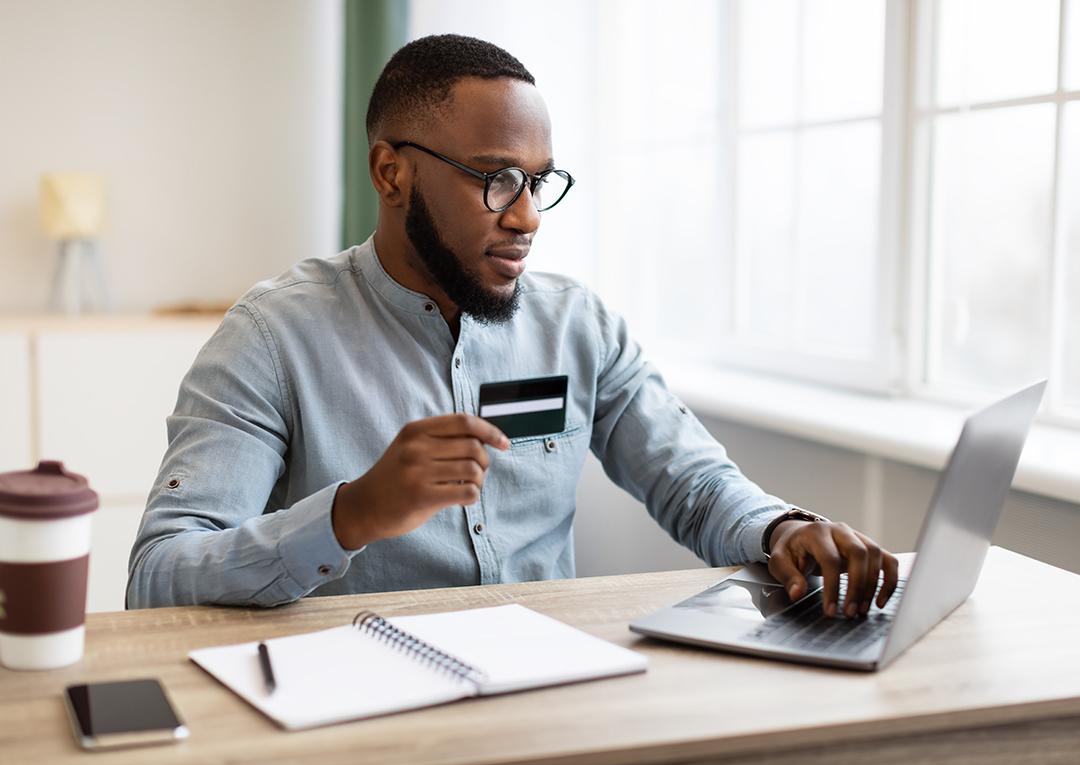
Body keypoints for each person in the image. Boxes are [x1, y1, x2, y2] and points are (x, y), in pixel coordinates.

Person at [127, 34, 898, 618]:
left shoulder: (578, 326)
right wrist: (351, 513)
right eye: (495, 180)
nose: (526, 216)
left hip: (546, 692)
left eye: (537, 182)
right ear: (391, 172)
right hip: (357, 708)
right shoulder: (271, 336)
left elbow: (693, 483)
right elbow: (158, 577)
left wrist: (782, 531)